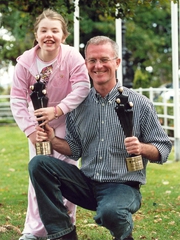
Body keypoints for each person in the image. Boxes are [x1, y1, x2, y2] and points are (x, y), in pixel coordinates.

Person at [29, 36, 172, 240]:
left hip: (123, 187)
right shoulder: (78, 105)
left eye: (104, 59)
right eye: (92, 60)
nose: (98, 66)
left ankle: (124, 234)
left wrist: (141, 147)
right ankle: (64, 234)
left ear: (117, 62)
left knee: (110, 212)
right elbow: (75, 149)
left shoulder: (140, 104)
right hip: (86, 183)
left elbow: (164, 149)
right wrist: (52, 139)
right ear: (85, 64)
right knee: (39, 164)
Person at [10, 9, 90, 240]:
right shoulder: (24, 63)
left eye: (55, 30)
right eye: (43, 30)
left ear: (63, 36)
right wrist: (29, 131)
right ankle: (33, 231)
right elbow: (16, 99)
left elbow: (82, 87)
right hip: (38, 128)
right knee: (38, 176)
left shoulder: (72, 56)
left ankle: (65, 225)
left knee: (66, 175)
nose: (49, 35)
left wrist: (58, 109)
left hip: (68, 123)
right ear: (36, 34)